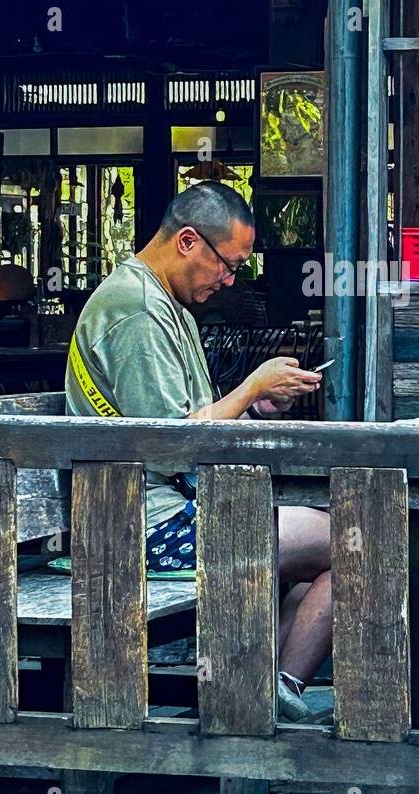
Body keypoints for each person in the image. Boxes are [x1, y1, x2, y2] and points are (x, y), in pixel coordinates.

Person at [65, 182, 332, 724]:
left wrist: (256, 408)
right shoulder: (137, 310)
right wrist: (251, 387)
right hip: (141, 529)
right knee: (358, 542)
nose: (230, 281)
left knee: (332, 553)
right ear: (188, 241)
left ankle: (265, 691)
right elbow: (171, 446)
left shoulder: (166, 302)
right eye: (227, 265)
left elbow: (193, 419)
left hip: (177, 512)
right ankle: (275, 690)